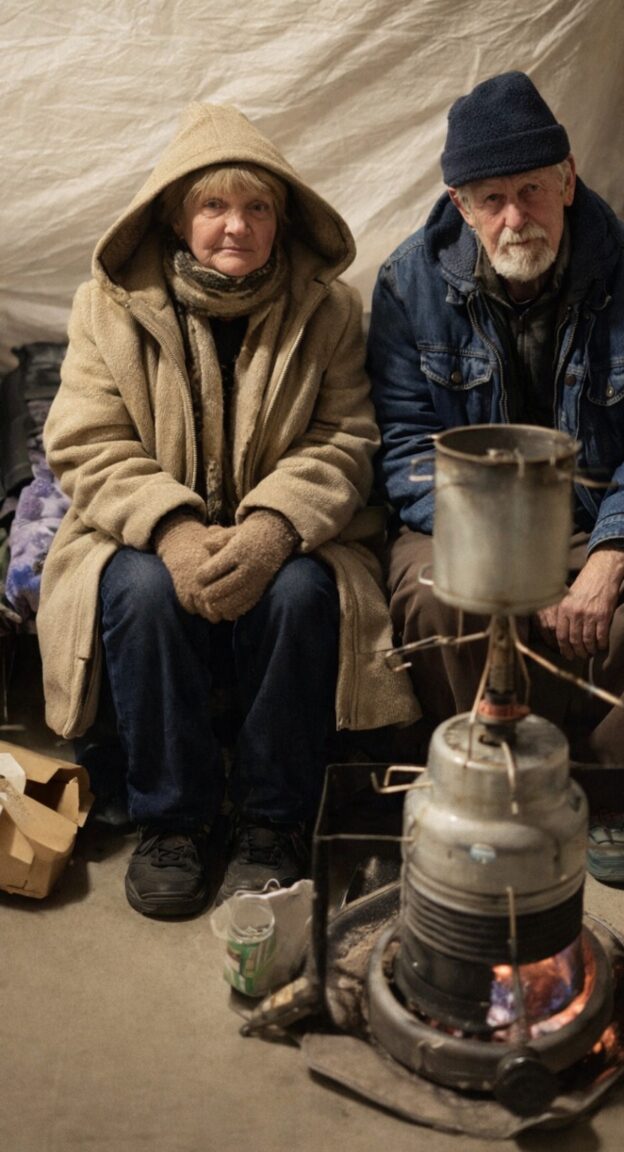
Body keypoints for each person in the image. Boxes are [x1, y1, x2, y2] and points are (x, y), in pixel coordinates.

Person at [38, 102, 418, 918]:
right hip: (136, 534)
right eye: (213, 206)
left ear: (282, 221)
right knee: (138, 591)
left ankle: (272, 825)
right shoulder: (107, 307)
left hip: (292, 538)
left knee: (302, 595)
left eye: (257, 208)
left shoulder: (331, 309)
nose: (235, 227)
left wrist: (272, 530)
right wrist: (175, 532)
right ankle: (172, 821)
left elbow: (345, 437)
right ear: (177, 217)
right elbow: (86, 440)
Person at [367, 71, 624, 780]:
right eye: (491, 200)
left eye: (531, 189)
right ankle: (484, 772)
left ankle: (609, 782)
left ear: (567, 180)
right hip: (471, 515)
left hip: (604, 510)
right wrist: (507, 559)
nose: (514, 218)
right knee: (436, 592)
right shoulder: (408, 284)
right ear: (461, 207)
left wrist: (613, 552)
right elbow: (405, 443)